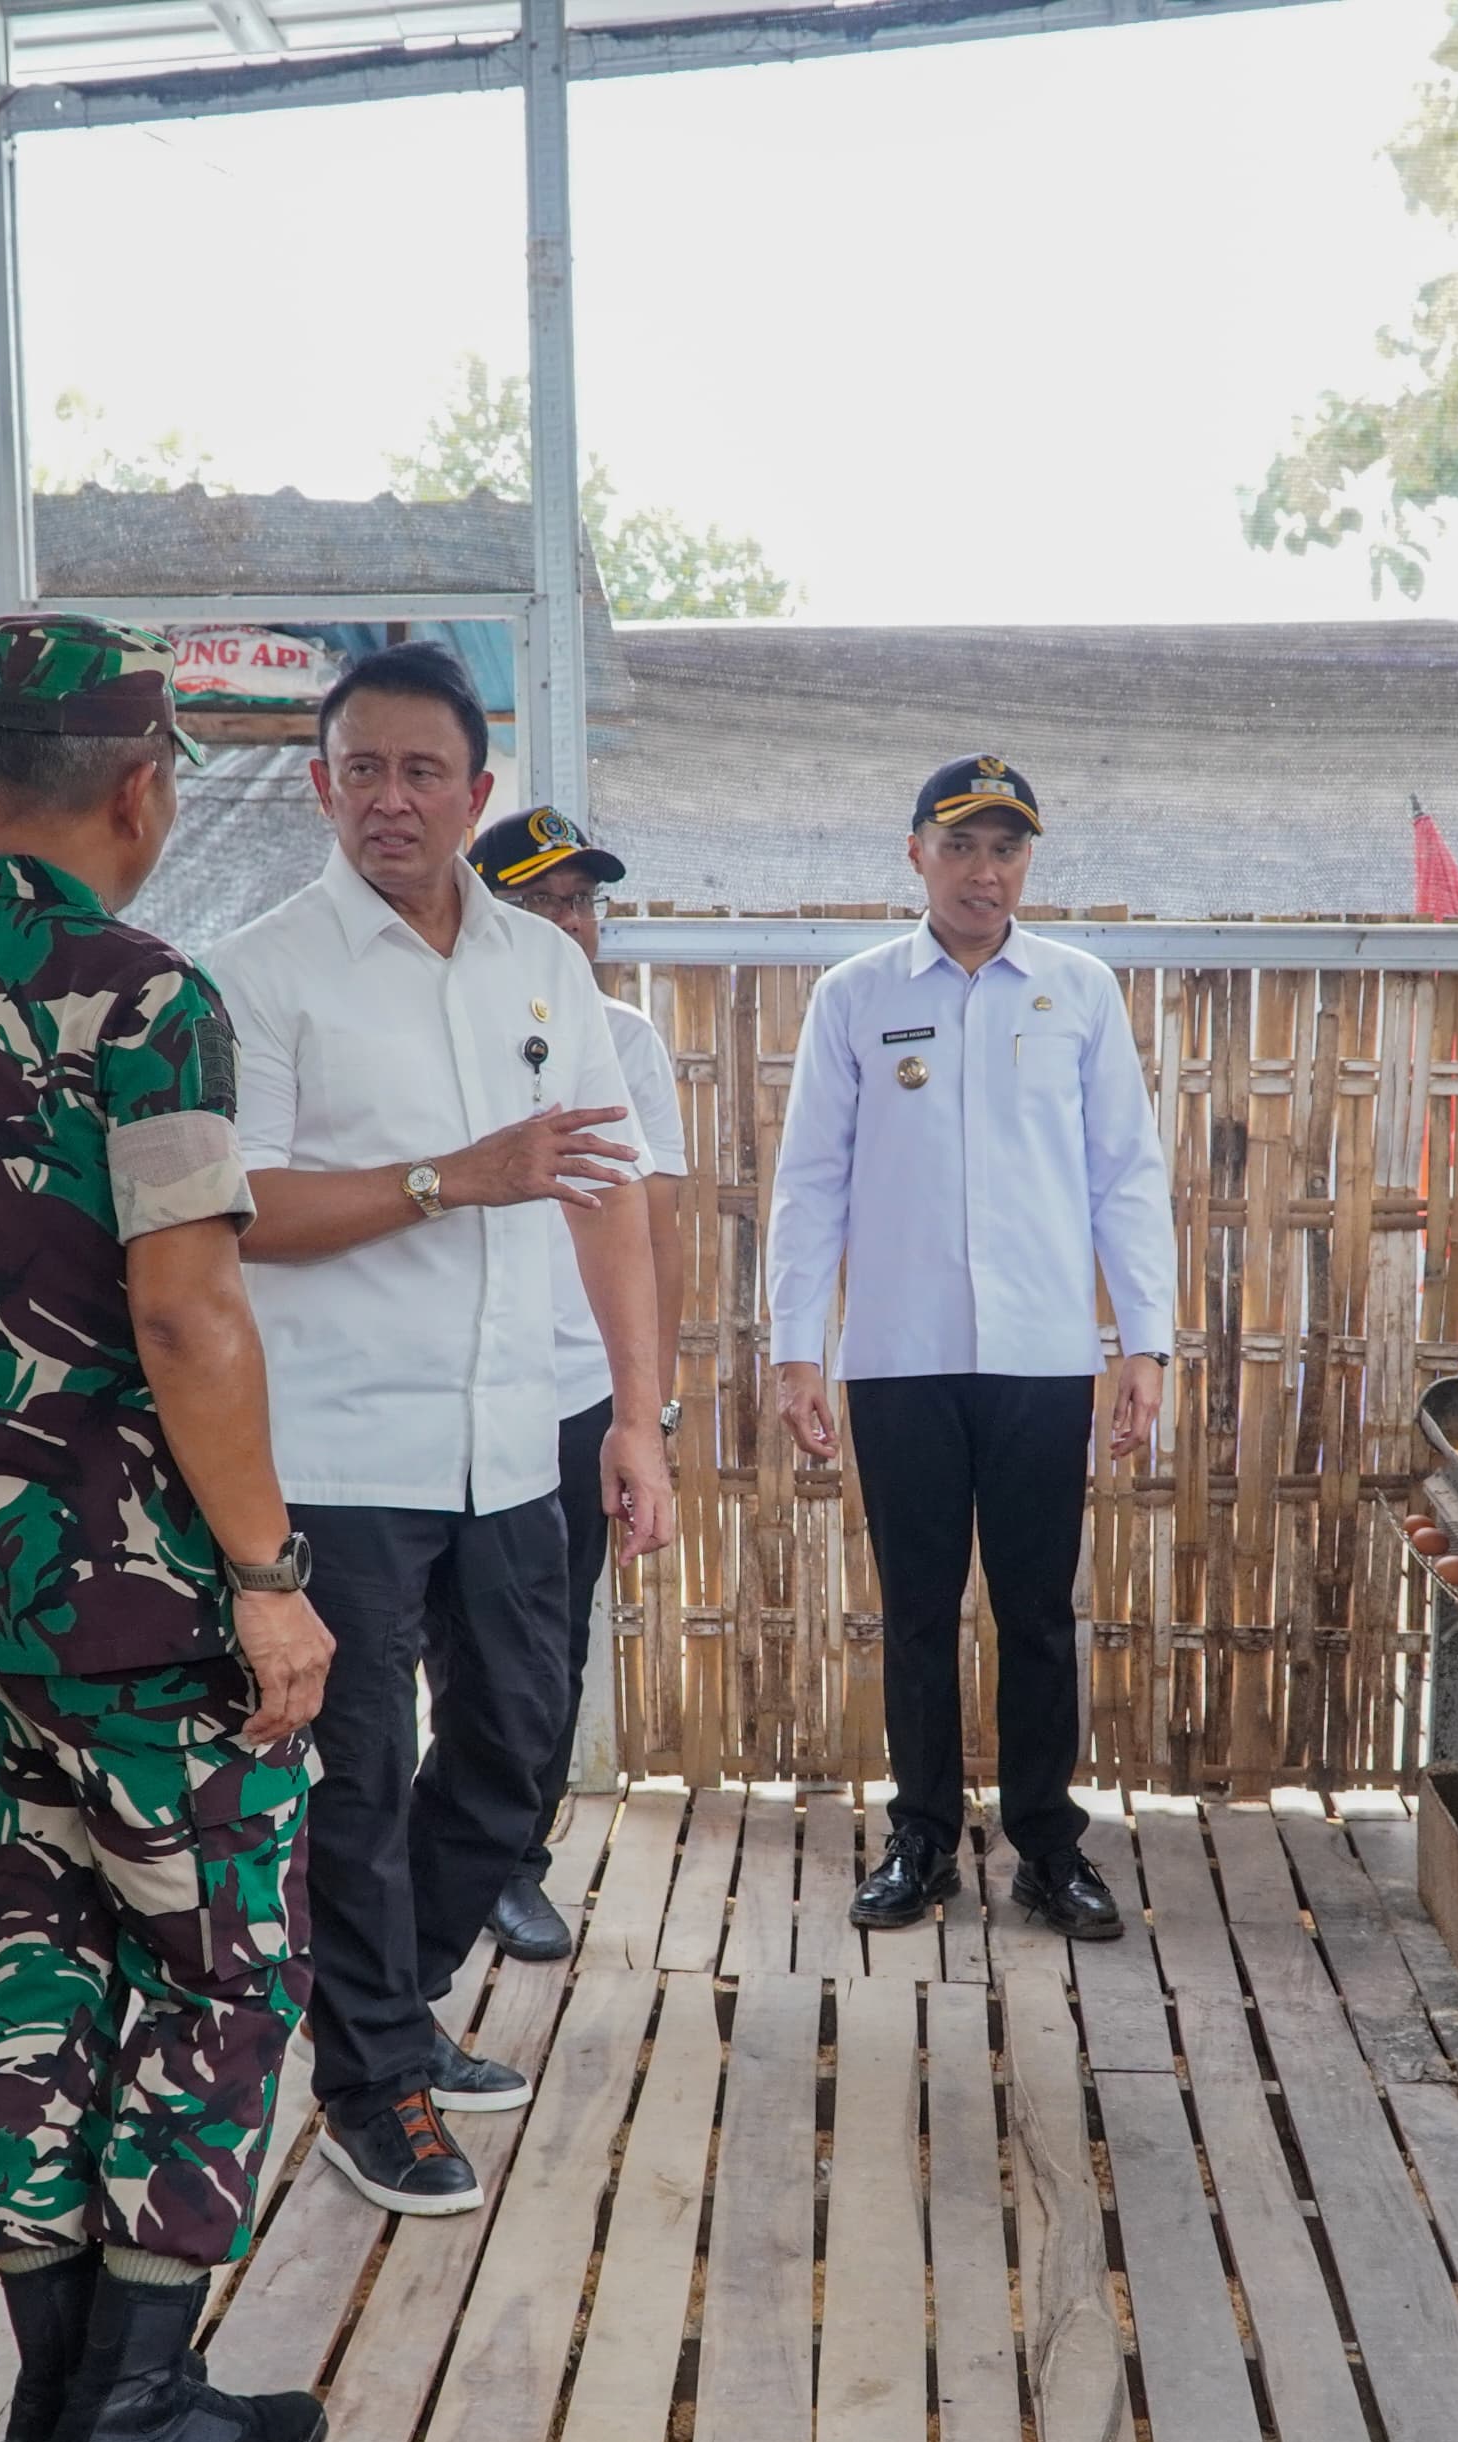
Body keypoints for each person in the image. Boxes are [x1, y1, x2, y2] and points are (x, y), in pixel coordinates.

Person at [0, 612, 333, 2442]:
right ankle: (136, 2412)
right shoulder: (151, 999)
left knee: (25, 1958)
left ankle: (50, 2401)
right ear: (145, 785)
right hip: (140, 1605)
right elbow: (191, 1315)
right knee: (214, 1966)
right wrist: (269, 1576)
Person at [214, 643, 673, 2217]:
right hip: (339, 1451)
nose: (392, 799)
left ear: (479, 794)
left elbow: (609, 1202)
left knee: (520, 1745)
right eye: (362, 769)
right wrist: (448, 1177)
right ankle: (374, 2081)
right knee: (352, 1777)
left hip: (510, 1438)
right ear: (319, 783)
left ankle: (378, 2006)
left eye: (424, 772)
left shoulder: (545, 971)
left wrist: (639, 1419)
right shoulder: (260, 973)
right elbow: (243, 1211)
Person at [767, 755, 1173, 1942]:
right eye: (960, 846)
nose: (983, 872)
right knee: (914, 1610)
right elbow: (808, 1184)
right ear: (915, 855)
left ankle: (1048, 1849)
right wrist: (799, 1348)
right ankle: (922, 1839)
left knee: (1040, 1612)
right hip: (897, 1356)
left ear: (1026, 863)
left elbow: (1125, 1177)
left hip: (1044, 1356)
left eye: (1004, 849)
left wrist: (1142, 1340)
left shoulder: (1079, 990)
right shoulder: (853, 994)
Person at [463, 805, 686, 1965]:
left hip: (569, 1393)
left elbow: (658, 1226)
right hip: (440, 1385)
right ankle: (415, 1858)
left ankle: (513, 1860)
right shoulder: (434, 1025)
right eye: (543, 898)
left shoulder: (622, 1038)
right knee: (429, 1641)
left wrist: (645, 1405)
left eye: (583, 899)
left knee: (549, 1642)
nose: (570, 921)